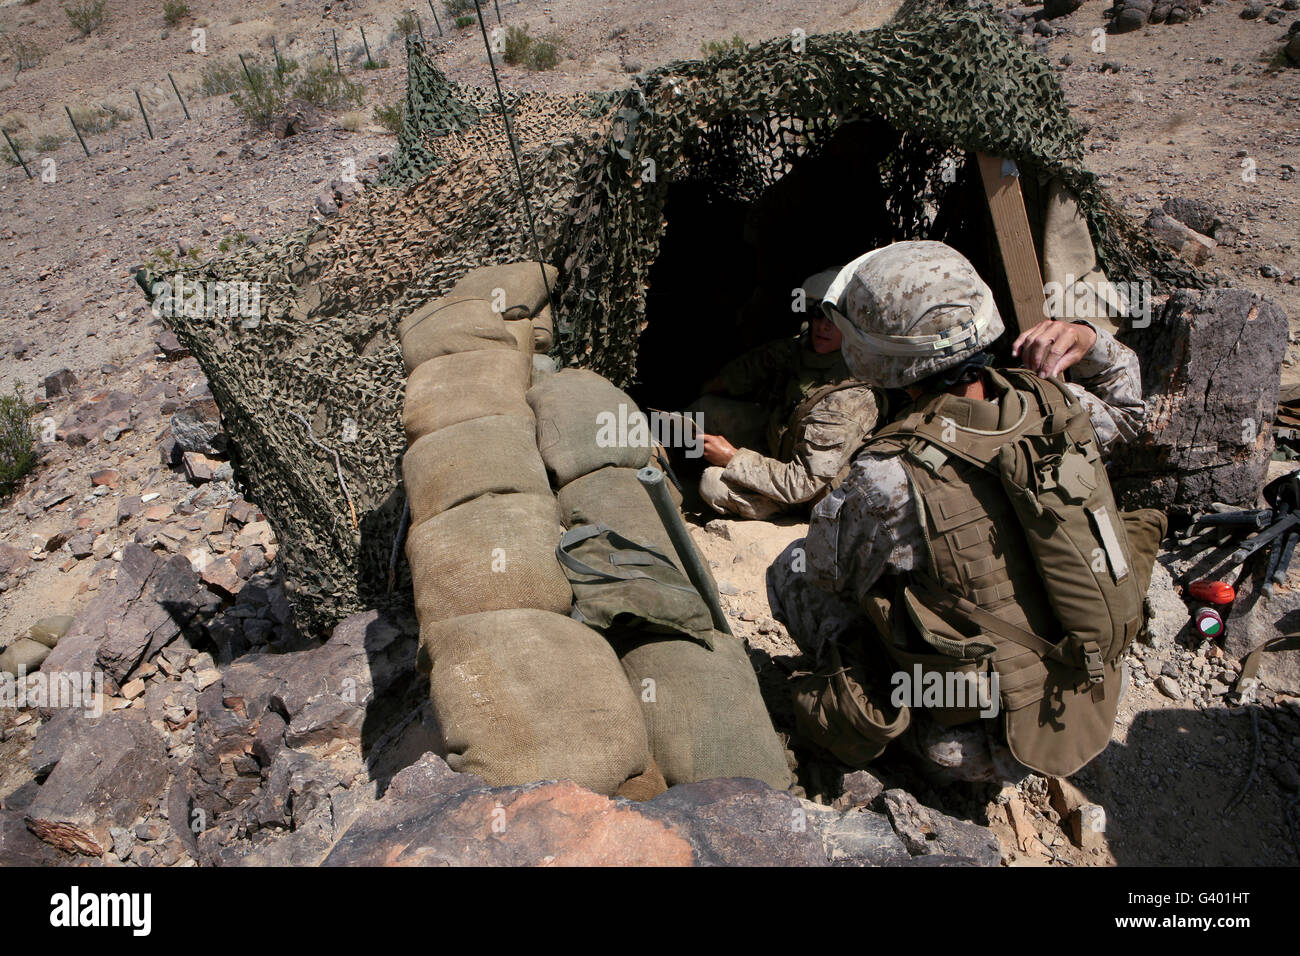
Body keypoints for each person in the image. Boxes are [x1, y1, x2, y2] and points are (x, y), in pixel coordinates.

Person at [767, 240, 1163, 782]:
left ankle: (878, 730)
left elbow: (828, 575)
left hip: (975, 745)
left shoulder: (886, 476)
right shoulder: (1058, 404)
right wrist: (1088, 338)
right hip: (1087, 689)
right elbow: (1131, 412)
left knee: (791, 570)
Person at [689, 270, 882, 521]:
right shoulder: (805, 350)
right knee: (705, 410)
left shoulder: (849, 396)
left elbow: (802, 483)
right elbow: (760, 363)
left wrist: (732, 458)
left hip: (808, 491)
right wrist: (719, 383)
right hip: (779, 443)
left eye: (835, 320)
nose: (823, 326)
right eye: (819, 315)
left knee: (713, 484)